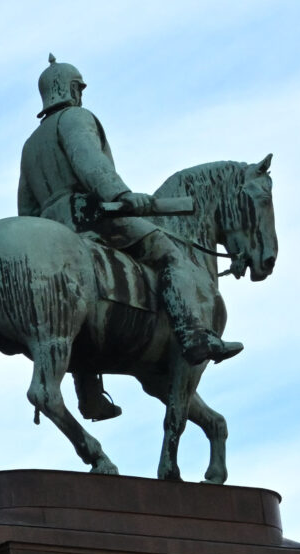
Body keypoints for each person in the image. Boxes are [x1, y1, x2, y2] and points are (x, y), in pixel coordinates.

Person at [18, 55, 242, 425]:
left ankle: (89, 395)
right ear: (73, 90)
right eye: (79, 88)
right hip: (94, 218)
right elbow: (91, 162)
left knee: (69, 308)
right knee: (170, 254)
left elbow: (25, 204)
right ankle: (193, 335)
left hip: (50, 231)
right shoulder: (76, 118)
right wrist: (122, 195)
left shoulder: (32, 143)